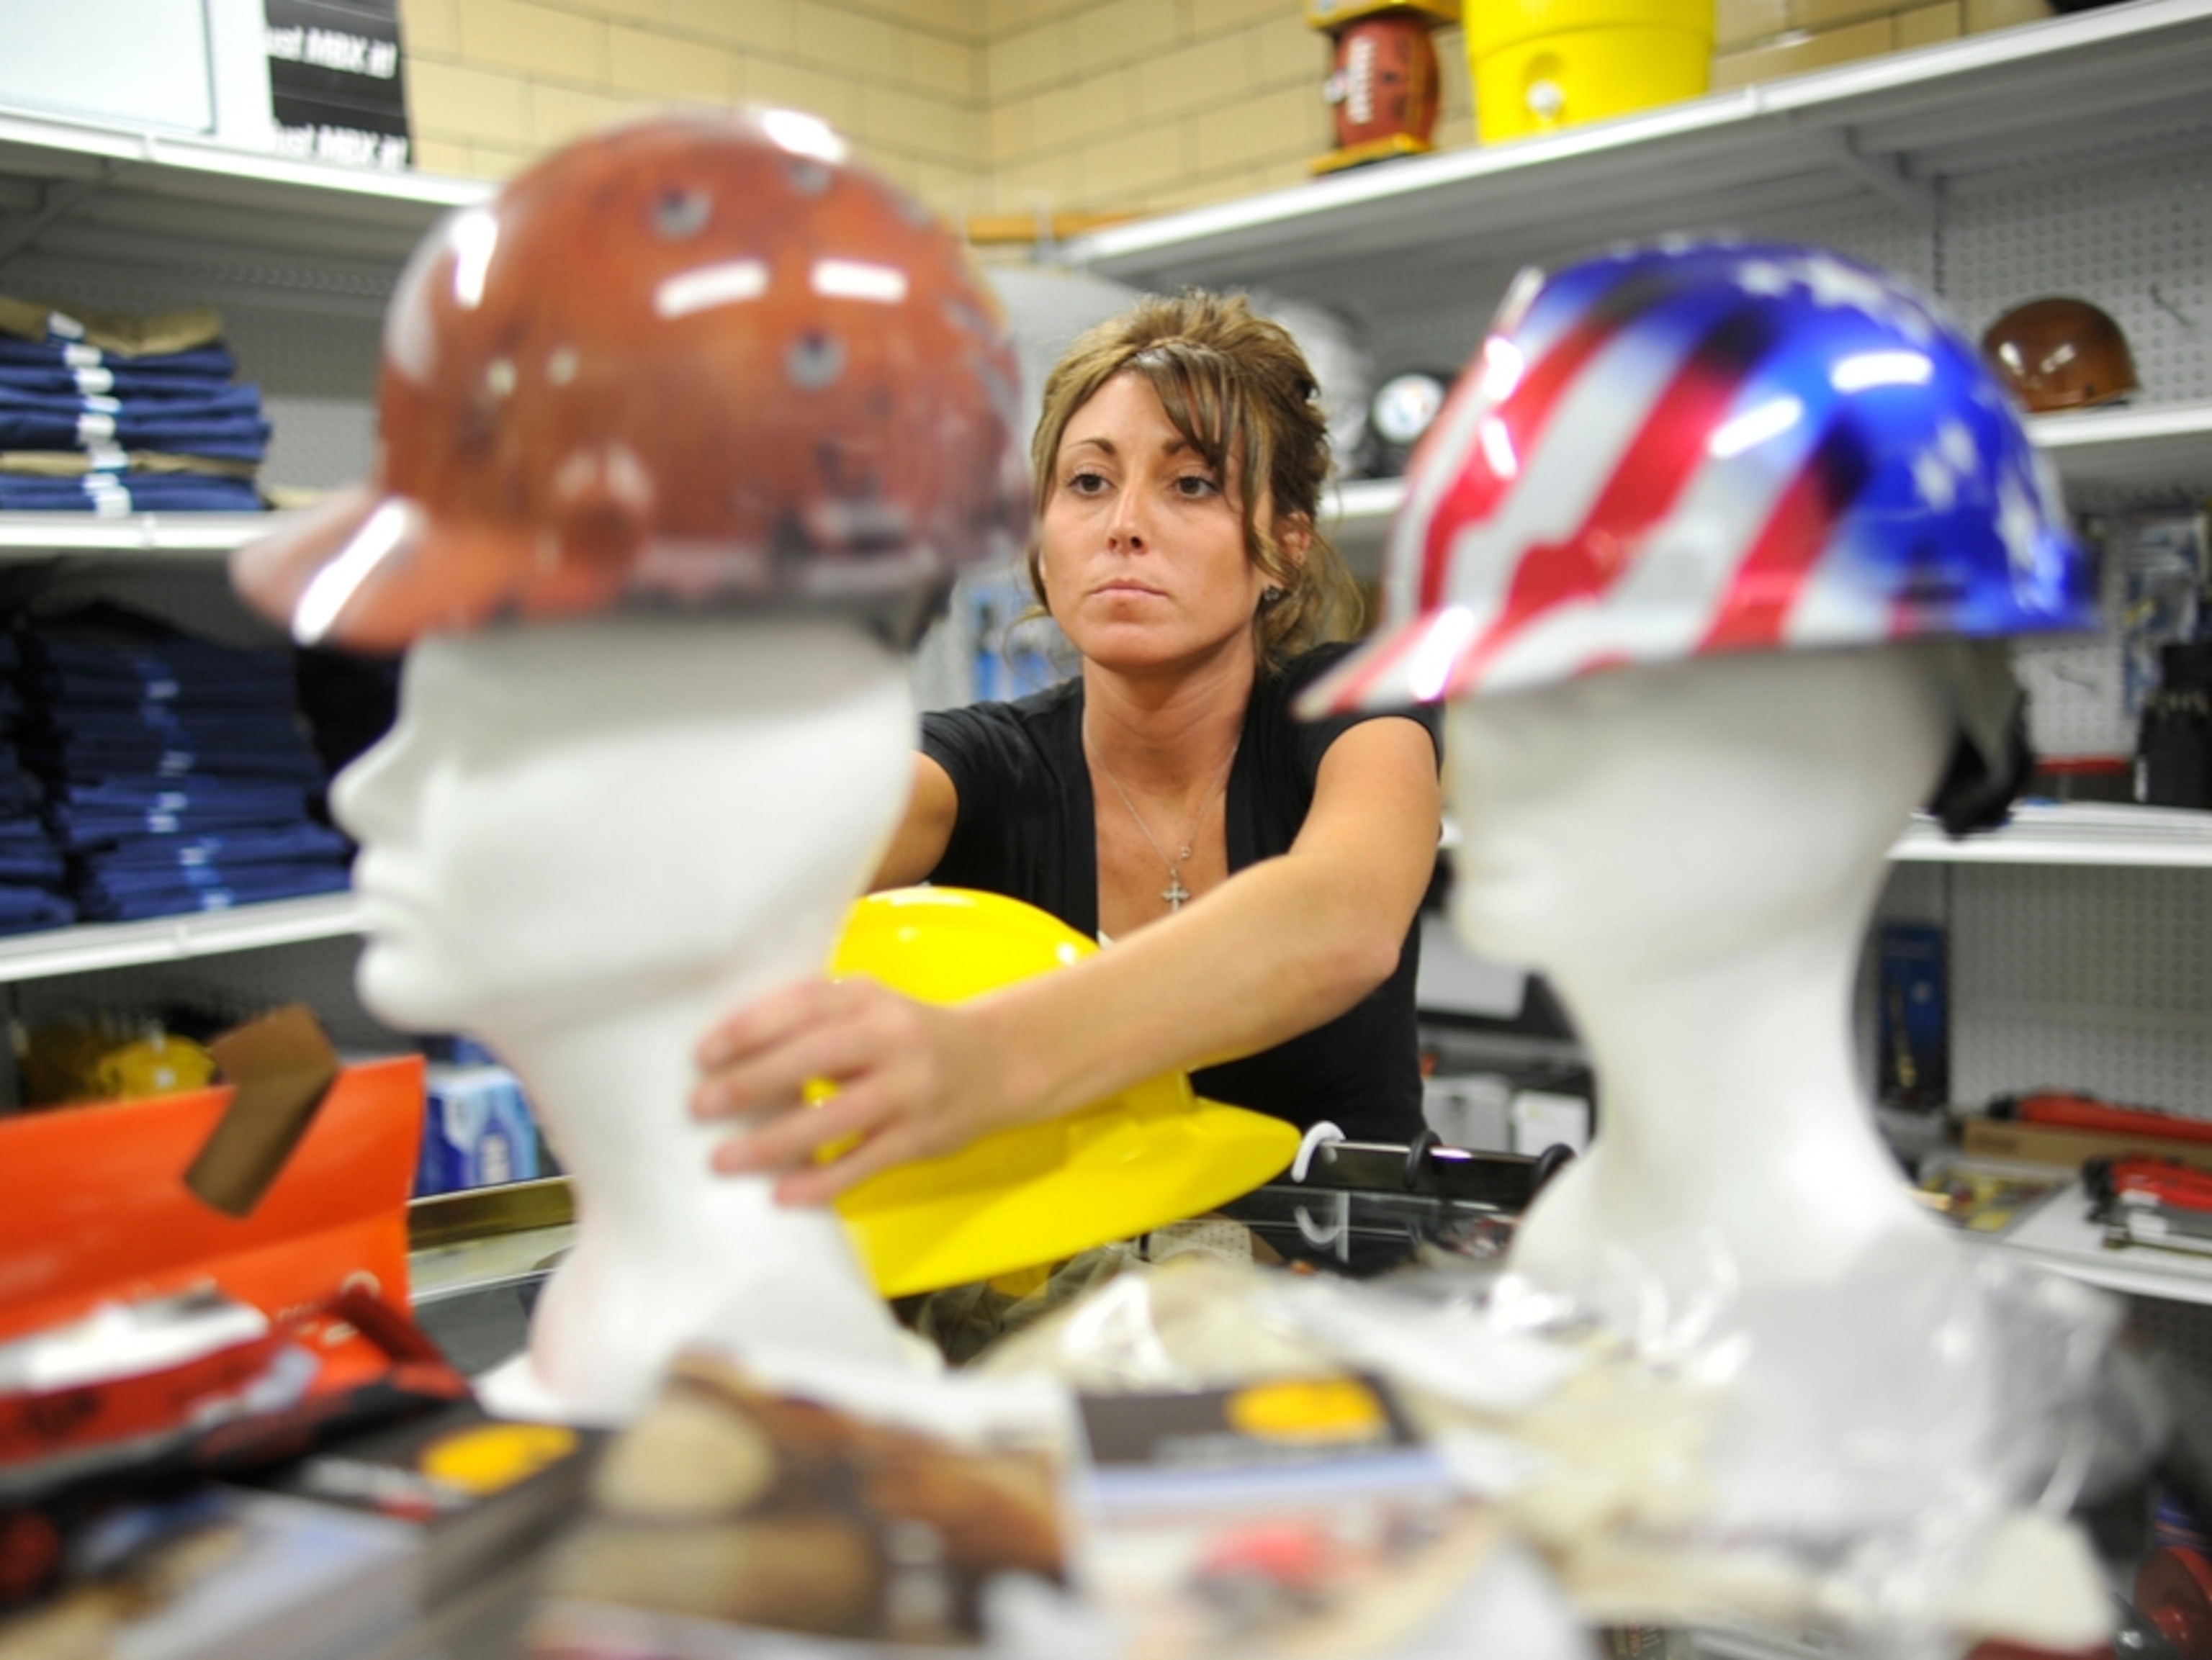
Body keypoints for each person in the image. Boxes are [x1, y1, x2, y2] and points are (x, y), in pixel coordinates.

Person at [695, 292, 1444, 1205]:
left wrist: (987, 1057)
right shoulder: (978, 766)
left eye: (1192, 483)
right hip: (1078, 1323)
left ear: (1284, 544)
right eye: (1088, 482)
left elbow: (1340, 922)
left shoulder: (1357, 713)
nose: (1123, 523)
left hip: (1345, 1304)